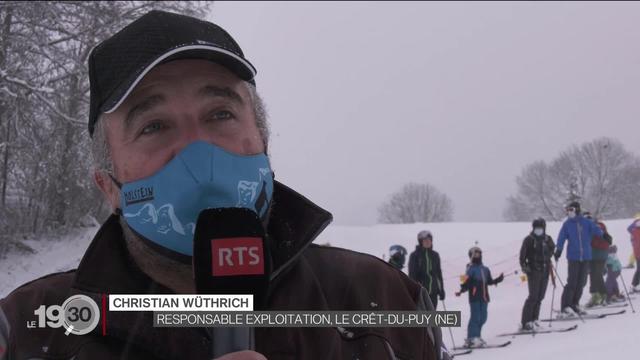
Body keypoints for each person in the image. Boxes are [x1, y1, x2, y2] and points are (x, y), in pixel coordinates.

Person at [0, 11, 450, 360]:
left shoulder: (382, 302)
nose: (199, 151)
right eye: (154, 126)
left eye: (220, 114)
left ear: (262, 142)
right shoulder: (28, 330)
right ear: (108, 186)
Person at [554, 201, 603, 317]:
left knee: (581, 283)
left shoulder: (586, 222)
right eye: (568, 210)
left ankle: (575, 304)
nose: (569, 212)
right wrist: (559, 250)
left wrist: (604, 235)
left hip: (585, 257)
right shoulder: (567, 224)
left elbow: (596, 229)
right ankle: (566, 306)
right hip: (573, 257)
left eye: (571, 210)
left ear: (577, 210)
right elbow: (561, 237)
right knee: (572, 282)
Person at [455, 247, 504, 348]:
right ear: (471, 256)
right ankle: (471, 338)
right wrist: (461, 290)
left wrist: (498, 280)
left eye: (479, 254)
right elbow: (466, 282)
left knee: (483, 318)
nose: (478, 256)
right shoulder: (470, 269)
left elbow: (489, 281)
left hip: (484, 296)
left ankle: (477, 336)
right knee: (475, 317)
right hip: (474, 296)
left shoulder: (485, 269)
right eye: (475, 254)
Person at [519, 217, 555, 330]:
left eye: (540, 228)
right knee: (533, 296)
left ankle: (535, 319)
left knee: (540, 296)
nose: (538, 230)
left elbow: (552, 248)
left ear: (544, 228)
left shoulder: (547, 239)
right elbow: (522, 256)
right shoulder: (529, 240)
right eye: (536, 228)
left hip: (545, 270)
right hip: (534, 271)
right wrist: (525, 266)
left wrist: (549, 256)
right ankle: (526, 322)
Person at [409, 230, 445, 309]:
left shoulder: (435, 255)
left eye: (429, 240)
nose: (427, 242)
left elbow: (438, 274)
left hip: (433, 292)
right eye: (425, 240)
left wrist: (441, 290)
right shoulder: (415, 255)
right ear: (420, 242)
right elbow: (412, 275)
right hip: (421, 292)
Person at [585, 214, 611, 307]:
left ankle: (596, 296)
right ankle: (603, 295)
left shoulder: (595, 227)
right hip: (597, 255)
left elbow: (590, 240)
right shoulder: (599, 225)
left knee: (595, 275)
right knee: (597, 275)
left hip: (597, 255)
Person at [627, 214, 640, 292]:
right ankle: (633, 285)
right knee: (639, 270)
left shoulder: (634, 231)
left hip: (637, 253)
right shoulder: (636, 231)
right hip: (638, 253)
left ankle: (634, 285)